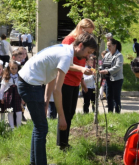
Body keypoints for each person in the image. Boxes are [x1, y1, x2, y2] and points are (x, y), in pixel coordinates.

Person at [17, 33, 97, 165]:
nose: (87, 56)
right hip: (30, 85)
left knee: (39, 126)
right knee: (42, 128)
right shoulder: (66, 56)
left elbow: (53, 74)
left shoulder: (66, 50)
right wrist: (62, 116)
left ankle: (34, 162)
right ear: (80, 45)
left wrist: (45, 101)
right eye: (88, 52)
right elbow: (57, 90)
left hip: (29, 82)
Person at [57, 18, 95, 150]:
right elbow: (64, 64)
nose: (89, 36)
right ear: (80, 28)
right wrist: (81, 70)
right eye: (87, 32)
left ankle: (64, 141)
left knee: (71, 112)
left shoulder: (84, 44)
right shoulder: (69, 41)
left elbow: (81, 63)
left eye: (91, 34)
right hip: (66, 80)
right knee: (65, 112)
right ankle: (62, 144)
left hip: (76, 81)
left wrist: (82, 81)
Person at [100, 39, 123, 113]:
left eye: (109, 46)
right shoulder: (106, 55)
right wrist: (99, 69)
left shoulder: (119, 55)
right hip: (108, 79)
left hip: (117, 80)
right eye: (107, 46)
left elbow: (118, 66)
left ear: (114, 46)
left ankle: (117, 113)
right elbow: (102, 64)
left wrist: (108, 71)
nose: (108, 47)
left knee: (116, 97)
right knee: (108, 96)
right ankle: (110, 113)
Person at [0, 61, 23, 129]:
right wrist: (1, 98)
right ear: (9, 68)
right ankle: (12, 127)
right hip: (8, 95)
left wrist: (23, 98)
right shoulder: (6, 77)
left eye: (15, 68)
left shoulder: (20, 76)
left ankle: (19, 127)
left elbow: (22, 87)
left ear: (18, 68)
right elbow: (2, 88)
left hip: (17, 95)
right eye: (12, 68)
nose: (14, 70)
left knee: (19, 112)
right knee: (10, 112)